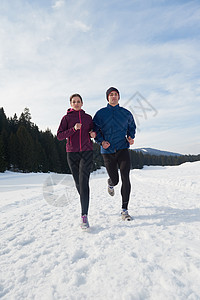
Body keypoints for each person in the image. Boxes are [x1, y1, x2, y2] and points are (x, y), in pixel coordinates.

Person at [93, 87, 136, 221]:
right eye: (111, 95)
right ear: (107, 97)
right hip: (107, 151)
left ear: (119, 97)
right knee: (116, 180)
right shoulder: (101, 113)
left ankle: (125, 210)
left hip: (123, 148)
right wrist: (101, 141)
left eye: (116, 94)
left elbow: (132, 127)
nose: (113, 96)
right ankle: (110, 183)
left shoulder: (126, 113)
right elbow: (94, 130)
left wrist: (130, 136)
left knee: (125, 177)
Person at [57, 93, 96, 229]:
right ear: (70, 104)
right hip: (72, 153)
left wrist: (93, 134)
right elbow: (59, 136)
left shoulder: (88, 118)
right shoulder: (66, 118)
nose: (76, 103)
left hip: (87, 152)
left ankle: (84, 216)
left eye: (79, 101)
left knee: (83, 182)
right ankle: (85, 199)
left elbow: (93, 131)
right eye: (74, 101)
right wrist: (73, 129)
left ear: (82, 103)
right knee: (78, 183)